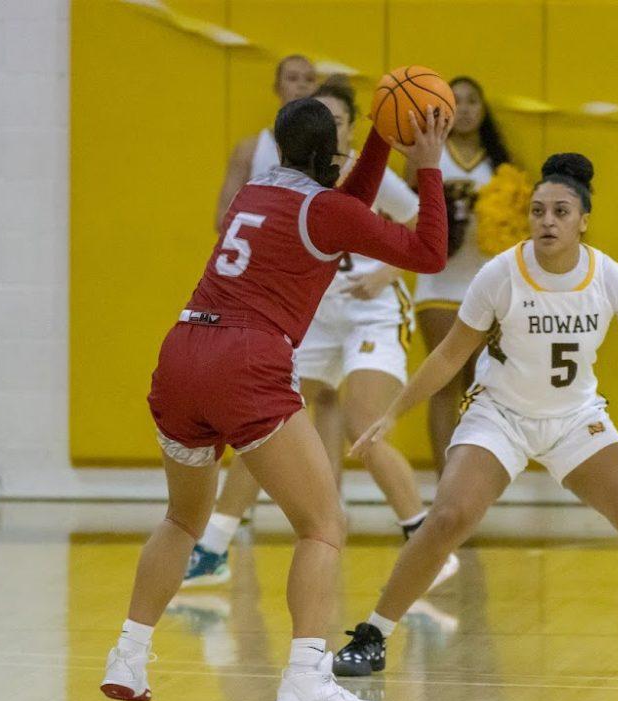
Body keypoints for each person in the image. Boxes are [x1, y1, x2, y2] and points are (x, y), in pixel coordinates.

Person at [329, 153, 618, 681]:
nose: (547, 221)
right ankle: (373, 633)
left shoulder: (609, 277)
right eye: (538, 211)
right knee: (448, 517)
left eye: (560, 211)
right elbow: (449, 355)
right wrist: (392, 412)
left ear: (583, 219)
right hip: (501, 415)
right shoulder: (500, 274)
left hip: (573, 419)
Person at [99, 96, 452, 701]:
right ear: (327, 154)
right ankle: (306, 677)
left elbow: (346, 202)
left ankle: (127, 656)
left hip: (183, 350)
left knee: (183, 520)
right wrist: (427, 165)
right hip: (245, 361)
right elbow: (428, 254)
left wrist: (378, 139)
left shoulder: (256, 191)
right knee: (323, 524)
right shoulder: (329, 210)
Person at [183, 83, 457, 589]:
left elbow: (414, 230)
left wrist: (383, 272)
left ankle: (422, 537)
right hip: (315, 315)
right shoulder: (309, 191)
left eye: (336, 117)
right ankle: (214, 546)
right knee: (264, 430)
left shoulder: (275, 184)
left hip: (370, 312)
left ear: (351, 127)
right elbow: (350, 211)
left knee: (362, 422)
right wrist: (427, 160)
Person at [409, 77, 513, 475]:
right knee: (443, 382)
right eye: (458, 101)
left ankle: (470, 477)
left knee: (480, 385)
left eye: (474, 100)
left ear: (484, 109)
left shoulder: (500, 164)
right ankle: (443, 480)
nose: (466, 108)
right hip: (439, 283)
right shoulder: (428, 155)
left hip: (486, 284)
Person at [214, 54, 318, 232]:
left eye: (309, 79)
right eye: (292, 78)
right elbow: (223, 218)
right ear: (277, 88)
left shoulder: (329, 150)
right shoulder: (250, 149)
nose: (302, 85)